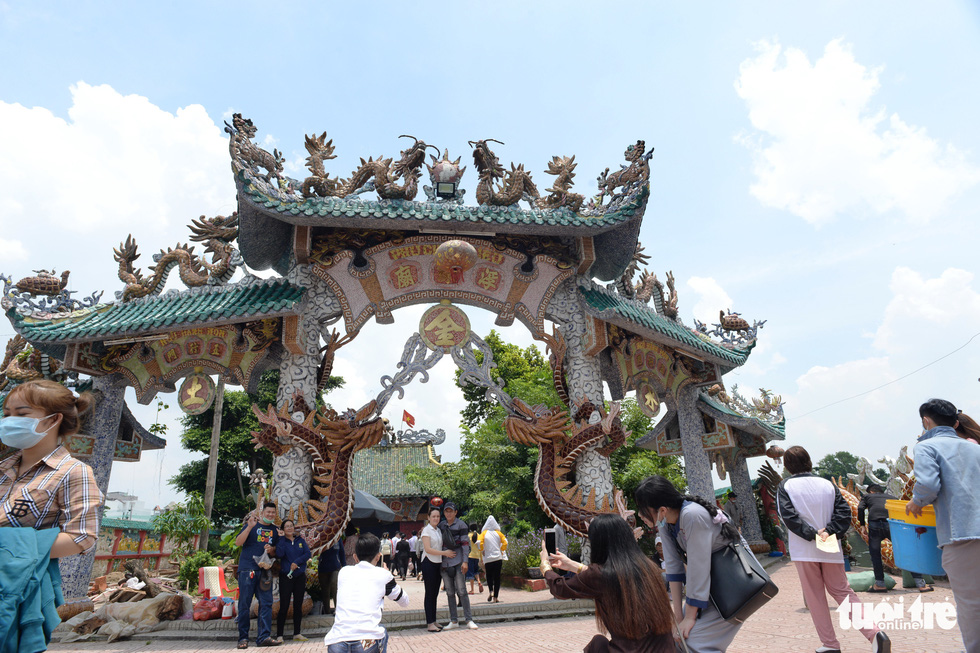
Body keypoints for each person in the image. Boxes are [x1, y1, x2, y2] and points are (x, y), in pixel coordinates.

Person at [0, 380, 103, 652]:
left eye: (22, 414)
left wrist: (8, 549)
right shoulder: (2, 469)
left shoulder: (73, 472)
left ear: (53, 420)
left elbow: (82, 536)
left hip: (19, 588)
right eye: (7, 414)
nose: (10, 421)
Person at [777, 446, 890, 653]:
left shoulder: (785, 486)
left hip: (805, 549)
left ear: (787, 466)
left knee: (815, 596)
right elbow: (844, 512)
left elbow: (788, 516)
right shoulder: (827, 484)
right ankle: (874, 634)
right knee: (843, 592)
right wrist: (829, 531)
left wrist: (813, 534)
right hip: (831, 547)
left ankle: (830, 644)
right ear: (809, 461)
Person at [634, 475, 748, 652]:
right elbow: (673, 567)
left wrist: (690, 617)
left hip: (734, 583)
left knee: (694, 644)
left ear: (662, 510)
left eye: (643, 509)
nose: (640, 515)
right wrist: (678, 616)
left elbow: (698, 568)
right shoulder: (664, 523)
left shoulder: (692, 515)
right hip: (711, 586)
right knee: (680, 639)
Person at [906, 399, 980, 653]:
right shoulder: (976, 448)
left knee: (970, 603)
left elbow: (927, 485)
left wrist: (916, 502)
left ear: (926, 421)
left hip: (963, 536)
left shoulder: (926, 446)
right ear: (956, 422)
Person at [541, 513, 675, 652]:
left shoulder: (600, 574)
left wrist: (545, 567)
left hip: (630, 649)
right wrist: (572, 565)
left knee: (597, 644)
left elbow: (560, 588)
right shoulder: (648, 567)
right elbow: (612, 576)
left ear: (599, 542)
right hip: (665, 648)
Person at [322, 533, 410, 653]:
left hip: (337, 641)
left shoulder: (344, 572)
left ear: (355, 557)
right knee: (382, 630)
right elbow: (405, 601)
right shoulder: (383, 575)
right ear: (378, 557)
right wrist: (388, 576)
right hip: (366, 642)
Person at [856, 484, 930, 593]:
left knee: (875, 554)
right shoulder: (892, 498)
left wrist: (862, 525)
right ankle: (921, 584)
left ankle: (880, 584)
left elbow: (860, 508)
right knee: (905, 552)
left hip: (875, 524)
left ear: (871, 492)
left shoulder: (867, 497)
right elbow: (902, 510)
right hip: (891, 524)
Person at [235, 501, 281, 649]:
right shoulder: (252, 526)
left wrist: (271, 549)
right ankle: (243, 638)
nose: (271, 515)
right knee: (244, 604)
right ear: (262, 512)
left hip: (265, 571)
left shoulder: (275, 531)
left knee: (266, 604)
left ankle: (263, 637)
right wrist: (249, 527)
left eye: (273, 513)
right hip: (248, 570)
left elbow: (277, 552)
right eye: (268, 512)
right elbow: (238, 542)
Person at [438, 502, 478, 630]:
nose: (448, 513)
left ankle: (468, 619)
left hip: (459, 561)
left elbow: (465, 544)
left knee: (462, 591)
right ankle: (454, 621)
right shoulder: (441, 525)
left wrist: (465, 561)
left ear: (455, 512)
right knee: (449, 592)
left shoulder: (461, 525)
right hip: (445, 563)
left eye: (451, 511)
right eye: (446, 511)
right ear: (444, 513)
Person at [274, 519, 311, 642]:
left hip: (299, 576)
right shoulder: (282, 541)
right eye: (287, 526)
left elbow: (307, 554)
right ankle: (279, 635)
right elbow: (279, 554)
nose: (289, 528)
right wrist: (280, 539)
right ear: (283, 529)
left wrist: (296, 562)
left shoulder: (300, 541)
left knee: (298, 605)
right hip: (286, 577)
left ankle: (297, 633)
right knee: (284, 605)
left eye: (291, 526)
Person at [420, 507, 455, 632]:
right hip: (428, 562)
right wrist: (445, 553)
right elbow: (428, 549)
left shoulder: (438, 530)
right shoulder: (426, 531)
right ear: (428, 518)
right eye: (433, 516)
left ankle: (433, 620)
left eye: (438, 516)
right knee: (429, 593)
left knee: (434, 593)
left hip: (437, 563)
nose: (436, 518)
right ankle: (429, 623)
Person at [477, 515, 507, 603]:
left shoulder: (483, 533)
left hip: (488, 559)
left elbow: (479, 542)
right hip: (498, 558)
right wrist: (501, 550)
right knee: (497, 578)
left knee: (489, 576)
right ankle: (496, 597)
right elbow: (505, 542)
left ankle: (491, 591)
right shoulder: (499, 533)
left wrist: (482, 550)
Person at [318, 539, 345, 615]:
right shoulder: (323, 537)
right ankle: (327, 612)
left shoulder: (338, 539)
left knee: (334, 585)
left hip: (335, 567)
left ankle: (338, 609)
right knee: (325, 591)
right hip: (323, 568)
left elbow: (342, 552)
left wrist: (344, 566)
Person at [466, 523, 483, 594]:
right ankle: (479, 581)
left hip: (470, 556)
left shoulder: (468, 536)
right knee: (476, 571)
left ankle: (472, 589)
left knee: (470, 573)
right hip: (477, 556)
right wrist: (481, 558)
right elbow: (480, 548)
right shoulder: (479, 536)